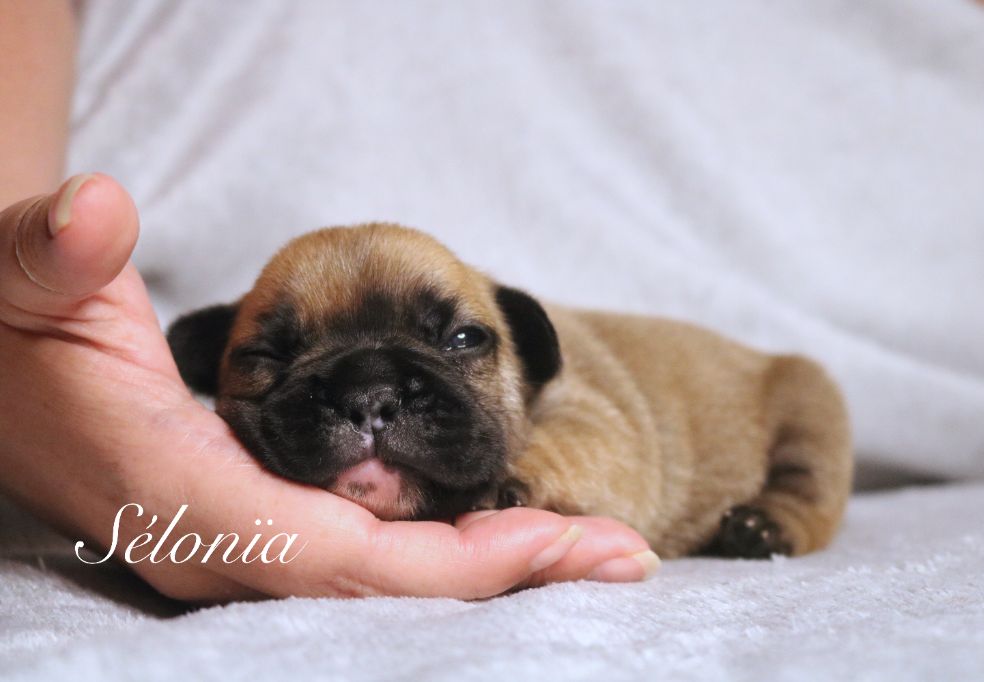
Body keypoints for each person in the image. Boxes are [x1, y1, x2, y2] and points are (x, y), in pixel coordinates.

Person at [0, 0, 656, 601]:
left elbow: (611, 443)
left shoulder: (567, 389)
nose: (372, 402)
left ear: (530, 353)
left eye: (460, 341)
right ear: (199, 367)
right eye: (269, 356)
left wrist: (533, 480)